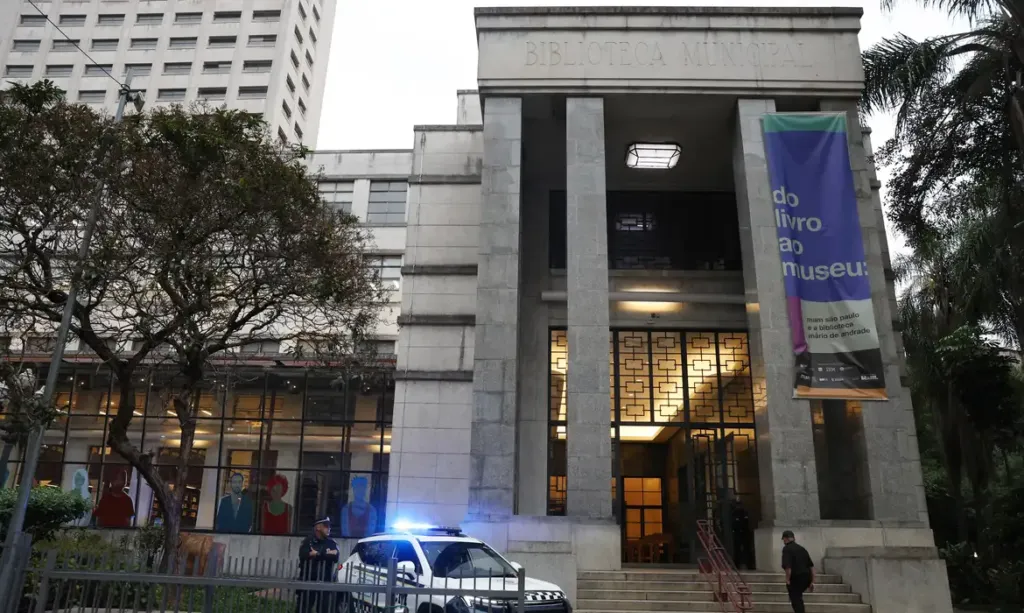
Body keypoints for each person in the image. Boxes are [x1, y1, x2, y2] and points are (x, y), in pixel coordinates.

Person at [297, 517, 341, 613]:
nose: (329, 529)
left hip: (325, 582)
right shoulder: (308, 542)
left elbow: (335, 557)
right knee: (303, 609)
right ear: (318, 527)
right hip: (308, 581)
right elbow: (304, 555)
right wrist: (326, 554)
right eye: (326, 526)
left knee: (324, 609)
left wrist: (317, 554)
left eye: (329, 527)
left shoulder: (331, 543)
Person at [781, 530, 815, 613]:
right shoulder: (802, 549)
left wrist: (787, 579)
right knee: (798, 597)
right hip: (806, 577)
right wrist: (812, 581)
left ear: (785, 539)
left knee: (795, 599)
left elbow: (788, 567)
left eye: (784, 539)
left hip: (796, 578)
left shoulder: (787, 549)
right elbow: (811, 567)